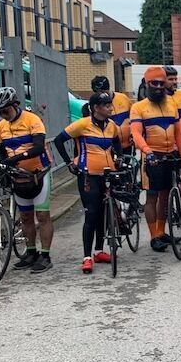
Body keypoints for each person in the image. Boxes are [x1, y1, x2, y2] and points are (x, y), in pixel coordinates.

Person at [53, 92, 122, 272]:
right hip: (88, 175)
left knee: (103, 214)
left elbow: (117, 142)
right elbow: (59, 140)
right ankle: (86, 257)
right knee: (92, 213)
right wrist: (69, 162)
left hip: (107, 174)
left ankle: (99, 251)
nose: (110, 108)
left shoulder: (112, 125)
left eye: (110, 104)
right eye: (106, 105)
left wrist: (120, 158)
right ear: (96, 108)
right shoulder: (82, 124)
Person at [0, 86, 55, 271]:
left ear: (15, 105)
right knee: (26, 216)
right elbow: (0, 151)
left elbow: (38, 147)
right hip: (18, 177)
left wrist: (17, 158)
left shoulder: (32, 120)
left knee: (42, 216)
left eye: (5, 110)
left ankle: (45, 256)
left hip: (38, 173)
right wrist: (2, 164)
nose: (3, 115)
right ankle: (31, 252)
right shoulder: (0, 127)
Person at [129, 65, 181, 252]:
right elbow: (136, 134)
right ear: (147, 84)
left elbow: (178, 133)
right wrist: (148, 151)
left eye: (162, 83)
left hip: (170, 154)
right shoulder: (138, 107)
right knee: (152, 196)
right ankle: (154, 236)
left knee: (165, 195)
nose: (159, 87)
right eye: (154, 83)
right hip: (151, 156)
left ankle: (161, 232)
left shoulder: (171, 104)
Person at [89, 75, 133, 151]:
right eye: (97, 92)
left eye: (102, 91)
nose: (101, 95)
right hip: (110, 147)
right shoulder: (96, 104)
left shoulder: (123, 98)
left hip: (129, 144)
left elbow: (134, 117)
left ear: (108, 89)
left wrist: (134, 134)